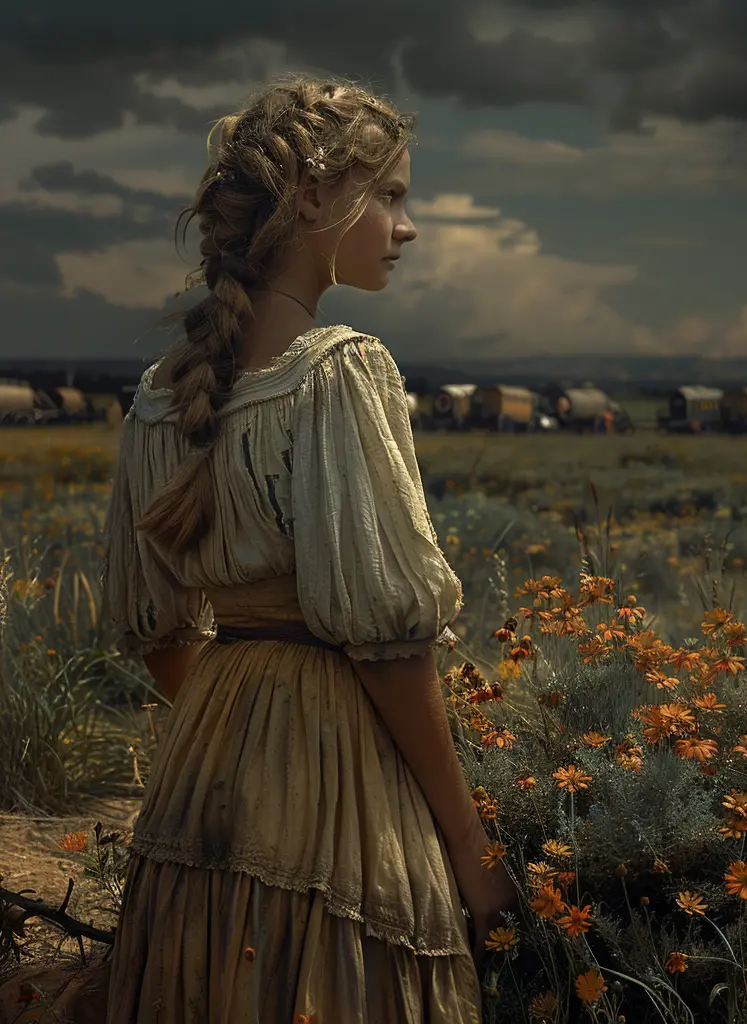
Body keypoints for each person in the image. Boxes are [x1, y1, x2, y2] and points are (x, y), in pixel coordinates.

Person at [95, 72, 516, 1022]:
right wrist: (472, 850)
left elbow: (156, 630)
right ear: (316, 197)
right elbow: (391, 648)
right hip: (337, 769)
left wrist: (242, 728)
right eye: (392, 195)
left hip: (202, 769)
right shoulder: (338, 372)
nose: (408, 227)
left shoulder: (157, 397)